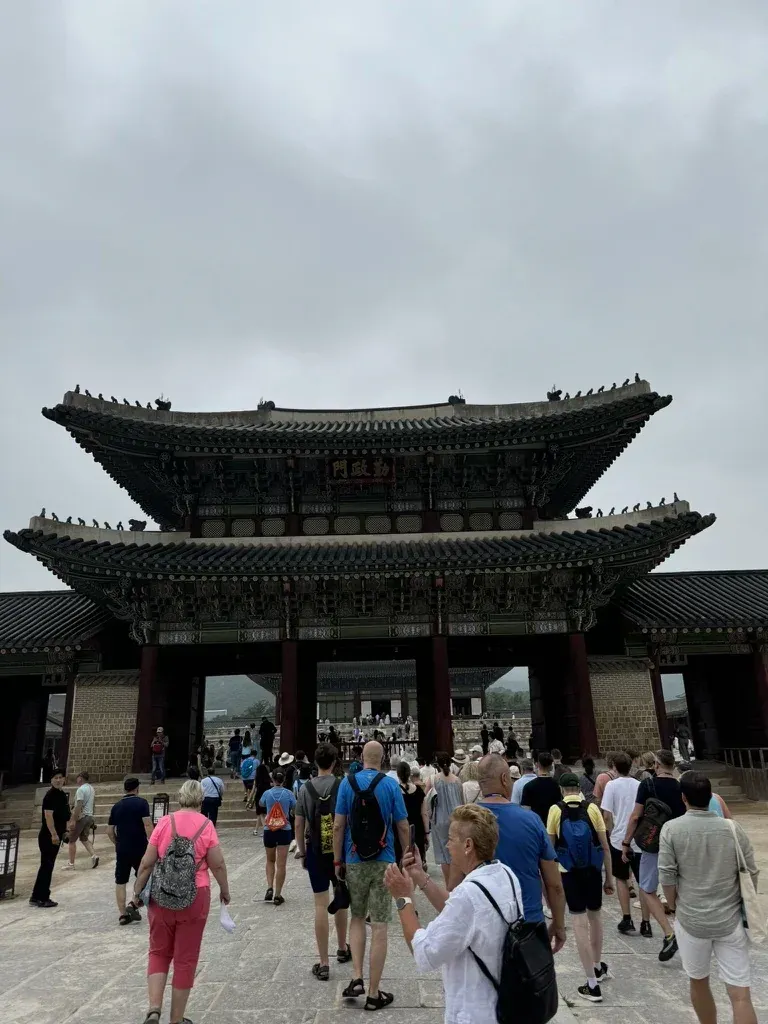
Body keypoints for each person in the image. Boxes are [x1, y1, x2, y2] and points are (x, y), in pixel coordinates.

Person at [384, 804, 524, 1024]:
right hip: (506, 1003)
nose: (447, 845)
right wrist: (420, 877)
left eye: (451, 839)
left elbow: (424, 953)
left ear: (468, 845)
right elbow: (459, 912)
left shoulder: (468, 895)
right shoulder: (505, 874)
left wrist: (403, 899)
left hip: (475, 1012)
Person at [659, 772, 759, 1024]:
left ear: (683, 798)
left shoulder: (671, 829)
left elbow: (667, 876)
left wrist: (672, 905)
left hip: (692, 918)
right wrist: (743, 901)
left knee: (699, 981)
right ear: (711, 796)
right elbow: (751, 870)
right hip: (730, 918)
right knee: (740, 993)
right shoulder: (732, 828)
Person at [133, 780, 230, 1024]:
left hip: (162, 894)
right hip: (195, 894)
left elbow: (147, 862)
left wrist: (137, 891)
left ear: (180, 797)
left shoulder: (165, 822)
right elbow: (217, 863)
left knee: (158, 951)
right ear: (201, 799)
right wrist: (225, 890)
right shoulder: (206, 825)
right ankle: (176, 1020)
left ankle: (154, 1008)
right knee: (185, 958)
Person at [333, 740, 409, 1011]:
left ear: (361, 757)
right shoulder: (390, 785)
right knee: (379, 924)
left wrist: (337, 860)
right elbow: (401, 825)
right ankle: (374, 992)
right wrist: (406, 856)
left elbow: (339, 825)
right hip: (384, 860)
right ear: (384, 757)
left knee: (356, 916)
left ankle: (356, 977)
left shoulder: (346, 783)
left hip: (353, 859)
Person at [477, 754, 566, 940]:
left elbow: (454, 885)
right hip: (528, 921)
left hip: (483, 922)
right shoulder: (531, 820)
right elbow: (554, 883)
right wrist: (559, 924)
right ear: (504, 779)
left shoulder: (465, 822)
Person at [547, 772, 615, 1003]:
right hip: (593, 871)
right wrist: (609, 879)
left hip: (569, 873)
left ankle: (591, 983)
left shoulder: (555, 810)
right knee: (595, 918)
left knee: (578, 923)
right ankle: (597, 966)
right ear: (578, 788)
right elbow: (604, 846)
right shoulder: (592, 809)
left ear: (561, 790)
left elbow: (550, 848)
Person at [623, 748, 686, 962]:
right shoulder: (681, 787)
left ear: (656, 765)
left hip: (653, 843)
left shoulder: (647, 785)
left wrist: (626, 842)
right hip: (678, 843)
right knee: (680, 887)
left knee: (647, 889)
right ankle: (685, 930)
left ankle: (670, 933)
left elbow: (635, 817)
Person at [294, 742, 350, 979]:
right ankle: (342, 947)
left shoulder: (305, 789)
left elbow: (298, 822)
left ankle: (324, 961)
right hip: (339, 853)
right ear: (335, 762)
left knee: (320, 903)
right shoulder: (342, 785)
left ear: (315, 763)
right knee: (340, 897)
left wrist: (302, 850)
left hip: (316, 850)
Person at [600, 751, 652, 937]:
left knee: (622, 879)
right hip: (639, 839)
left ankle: (627, 917)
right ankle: (646, 922)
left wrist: (609, 832)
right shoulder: (640, 785)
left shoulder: (611, 786)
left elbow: (607, 814)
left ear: (614, 767)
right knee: (643, 882)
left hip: (618, 839)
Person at [107, 777, 152, 924]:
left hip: (122, 848)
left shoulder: (116, 806)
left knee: (120, 880)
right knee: (144, 876)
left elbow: (109, 831)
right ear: (137, 789)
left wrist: (118, 842)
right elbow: (147, 825)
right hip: (140, 847)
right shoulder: (142, 803)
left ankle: (123, 914)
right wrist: (153, 842)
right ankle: (134, 902)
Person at [30, 768, 69, 907]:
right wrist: (53, 834)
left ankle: (36, 895)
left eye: (60, 777)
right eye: (55, 778)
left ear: (64, 779)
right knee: (47, 866)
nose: (58, 780)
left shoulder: (61, 795)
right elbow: (48, 815)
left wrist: (65, 831)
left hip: (57, 834)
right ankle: (42, 897)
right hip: (48, 836)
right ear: (51, 780)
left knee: (47, 866)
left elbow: (63, 816)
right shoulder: (50, 796)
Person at [426, 752, 464, 886]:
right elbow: (462, 800)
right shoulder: (457, 780)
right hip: (456, 818)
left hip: (440, 818)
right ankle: (457, 882)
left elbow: (426, 799)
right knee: (456, 851)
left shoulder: (433, 779)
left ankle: (449, 883)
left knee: (444, 854)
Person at [259, 769, 296, 905]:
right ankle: (278, 894)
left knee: (270, 860)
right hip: (284, 829)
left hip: (269, 829)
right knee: (281, 864)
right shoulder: (288, 793)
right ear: (284, 779)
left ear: (272, 779)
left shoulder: (267, 793)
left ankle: (269, 887)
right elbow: (295, 806)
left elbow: (261, 804)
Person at [394, 758, 429, 864]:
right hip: (417, 828)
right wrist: (427, 833)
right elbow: (424, 813)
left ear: (398, 774)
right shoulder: (419, 791)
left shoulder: (395, 791)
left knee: (401, 859)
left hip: (399, 829)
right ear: (410, 774)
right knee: (417, 859)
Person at [65, 770, 99, 870]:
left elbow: (78, 806)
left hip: (81, 817)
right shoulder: (91, 789)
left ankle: (71, 864)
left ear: (80, 778)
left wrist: (73, 820)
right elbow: (93, 804)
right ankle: (94, 856)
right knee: (84, 838)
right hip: (89, 816)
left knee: (71, 840)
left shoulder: (80, 790)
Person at [521, 751, 563, 825]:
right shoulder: (557, 786)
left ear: (537, 765)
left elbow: (525, 811)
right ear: (551, 766)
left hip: (535, 825)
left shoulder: (528, 786)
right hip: (553, 825)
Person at [249, 760, 272, 836]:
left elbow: (253, 790)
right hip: (268, 797)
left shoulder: (257, 779)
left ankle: (266, 830)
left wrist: (249, 800)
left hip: (259, 797)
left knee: (261, 814)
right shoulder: (268, 779)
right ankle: (256, 830)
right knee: (261, 814)